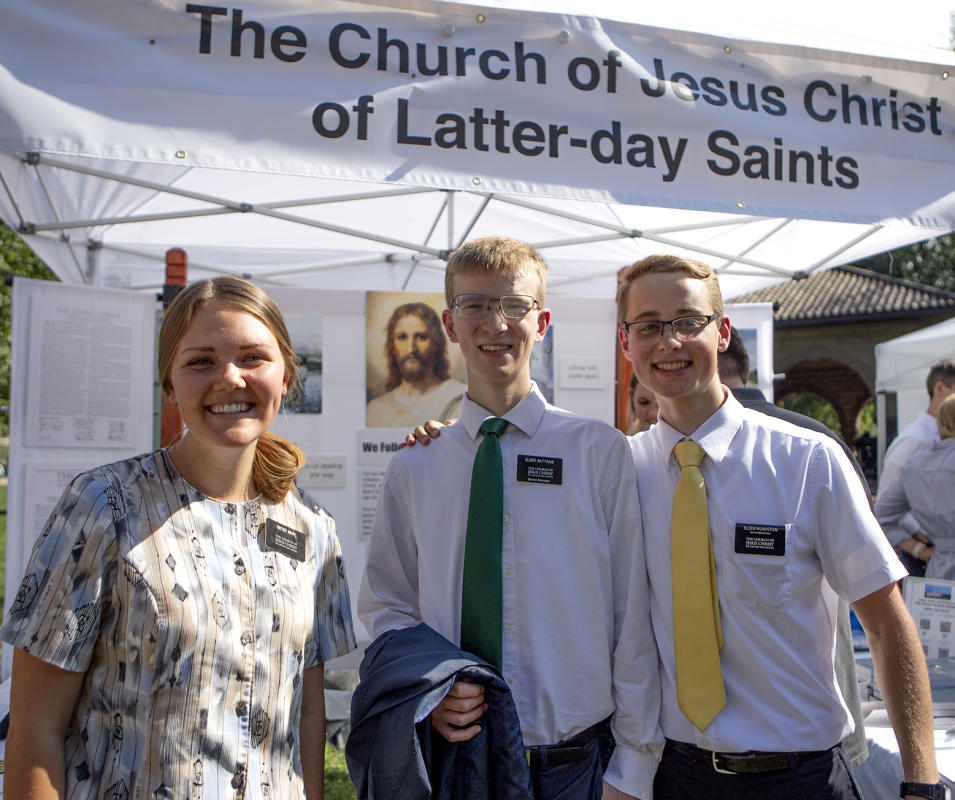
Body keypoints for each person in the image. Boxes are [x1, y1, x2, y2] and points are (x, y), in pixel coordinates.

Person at [1, 277, 356, 799]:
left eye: (253, 358)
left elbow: (304, 715)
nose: (230, 378)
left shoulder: (313, 529)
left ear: (286, 378)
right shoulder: (102, 505)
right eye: (201, 361)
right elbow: (34, 731)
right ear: (169, 386)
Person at [616, 254, 939, 799]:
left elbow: (886, 623)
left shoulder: (808, 460)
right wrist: (441, 440)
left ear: (721, 334)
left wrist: (922, 784)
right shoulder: (619, 471)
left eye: (688, 322)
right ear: (627, 344)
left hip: (803, 780)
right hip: (677, 779)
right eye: (648, 326)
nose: (668, 342)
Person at [358, 236, 661, 799]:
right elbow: (387, 605)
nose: (495, 323)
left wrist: (634, 768)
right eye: (473, 305)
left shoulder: (600, 452)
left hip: (576, 763)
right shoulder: (417, 465)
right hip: (459, 760)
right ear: (450, 324)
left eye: (514, 306)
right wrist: (432, 685)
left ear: (541, 321)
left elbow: (633, 616)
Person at [717, 324, 870, 769]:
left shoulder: (810, 450)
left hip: (796, 753)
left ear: (720, 342)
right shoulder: (656, 456)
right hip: (815, 735)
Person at [879, 359, 955, 556]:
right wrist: (919, 546)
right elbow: (886, 505)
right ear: (940, 388)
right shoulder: (915, 439)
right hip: (920, 553)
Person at [366, 301, 466, 427]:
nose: (411, 348)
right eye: (402, 337)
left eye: (421, 337)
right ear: (392, 346)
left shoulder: (459, 398)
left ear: (436, 344)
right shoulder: (375, 410)